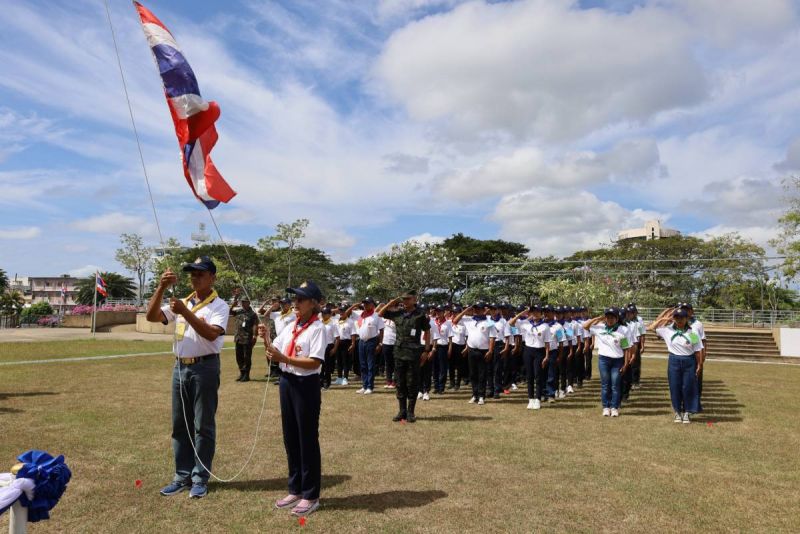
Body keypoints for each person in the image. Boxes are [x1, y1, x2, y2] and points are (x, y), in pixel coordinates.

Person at [146, 256, 229, 499]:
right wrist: (161, 287)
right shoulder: (182, 302)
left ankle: (200, 478)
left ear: (212, 277)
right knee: (180, 425)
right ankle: (181, 476)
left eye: (200, 274)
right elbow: (152, 317)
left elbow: (212, 334)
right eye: (192, 274)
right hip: (180, 368)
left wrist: (185, 312)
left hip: (205, 368)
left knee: (203, 425)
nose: (195, 277)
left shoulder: (219, 306)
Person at [259, 280, 326, 517]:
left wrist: (283, 359)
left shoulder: (318, 328)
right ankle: (295, 488)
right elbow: (273, 351)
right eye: (294, 298)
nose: (295, 303)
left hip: (305, 385)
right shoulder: (291, 325)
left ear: (314, 303)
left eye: (300, 299)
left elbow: (315, 361)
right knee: (290, 437)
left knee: (306, 438)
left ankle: (311, 494)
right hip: (287, 382)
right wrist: (266, 337)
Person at [378, 291, 431, 423]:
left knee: (412, 382)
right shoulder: (398, 313)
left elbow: (427, 331)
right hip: (399, 352)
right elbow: (380, 313)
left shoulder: (420, 315)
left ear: (414, 299)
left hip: (414, 353)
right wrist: (394, 300)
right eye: (404, 299)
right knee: (400, 382)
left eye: (408, 299)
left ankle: (411, 412)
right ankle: (402, 411)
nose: (405, 301)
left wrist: (426, 350)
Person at [650, 306, 703, 423]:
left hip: (689, 361)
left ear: (686, 319)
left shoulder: (692, 332)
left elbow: (698, 350)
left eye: (682, 317)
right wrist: (665, 318)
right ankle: (677, 412)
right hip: (674, 360)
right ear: (673, 318)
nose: (679, 320)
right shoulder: (667, 330)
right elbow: (651, 327)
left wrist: (699, 364)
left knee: (688, 387)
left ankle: (687, 412)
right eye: (677, 317)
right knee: (675, 387)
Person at [583, 307, 631, 417]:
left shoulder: (622, 330)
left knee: (615, 385)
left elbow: (626, 348)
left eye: (612, 317)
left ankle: (614, 407)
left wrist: (625, 364)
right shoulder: (599, 328)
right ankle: (606, 407)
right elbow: (585, 326)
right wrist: (598, 318)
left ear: (617, 318)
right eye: (607, 317)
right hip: (604, 360)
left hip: (617, 361)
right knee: (605, 385)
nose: (610, 320)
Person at [451, 303, 496, 406]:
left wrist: (490, 351)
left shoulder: (488, 321)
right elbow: (454, 321)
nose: (476, 310)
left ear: (483, 309)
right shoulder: (469, 320)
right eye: (475, 308)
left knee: (482, 374)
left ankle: (481, 396)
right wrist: (465, 310)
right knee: (473, 374)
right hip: (471, 350)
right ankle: (474, 394)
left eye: (479, 309)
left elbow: (492, 337)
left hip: (484, 351)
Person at [509, 305, 551, 410]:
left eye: (537, 312)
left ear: (541, 313)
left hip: (539, 351)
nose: (535, 314)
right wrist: (523, 312)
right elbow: (511, 323)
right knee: (530, 376)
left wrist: (546, 356)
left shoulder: (545, 326)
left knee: (538, 375)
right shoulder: (526, 324)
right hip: (528, 351)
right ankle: (530, 399)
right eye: (533, 312)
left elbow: (547, 343)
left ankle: (537, 399)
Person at [343, 298, 384, 395]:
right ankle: (364, 385)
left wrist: (380, 344)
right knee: (363, 365)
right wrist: (354, 305)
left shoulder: (376, 315)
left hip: (372, 341)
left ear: (372, 305)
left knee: (370, 365)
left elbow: (382, 330)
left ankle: (370, 386)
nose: (365, 305)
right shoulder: (360, 314)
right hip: (361, 341)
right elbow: (346, 313)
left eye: (367, 303)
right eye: (364, 303)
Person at [229, 288, 259, 382]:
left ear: (249, 302)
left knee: (247, 357)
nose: (243, 303)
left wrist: (255, 336)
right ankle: (241, 373)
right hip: (238, 337)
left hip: (247, 338)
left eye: (245, 302)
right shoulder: (239, 311)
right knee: (239, 357)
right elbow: (230, 311)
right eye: (242, 302)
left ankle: (246, 375)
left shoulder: (253, 314)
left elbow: (255, 325)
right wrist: (235, 299)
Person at [334, 304, 356, 386]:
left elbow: (353, 333)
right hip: (338, 342)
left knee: (345, 361)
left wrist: (353, 343)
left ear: (346, 311)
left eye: (343, 310)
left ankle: (345, 378)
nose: (341, 312)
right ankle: (339, 377)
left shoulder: (350, 321)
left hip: (346, 342)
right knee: (339, 360)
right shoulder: (337, 321)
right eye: (340, 311)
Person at [432, 306, 451, 395]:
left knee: (442, 368)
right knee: (435, 367)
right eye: (437, 312)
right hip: (434, 346)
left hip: (443, 347)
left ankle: (441, 387)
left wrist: (450, 349)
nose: (438, 314)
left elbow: (450, 338)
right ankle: (435, 386)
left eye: (440, 312)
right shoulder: (433, 322)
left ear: (444, 312)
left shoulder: (447, 323)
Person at [448, 305, 467, 390]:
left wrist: (466, 347)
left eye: (456, 312)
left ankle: (458, 383)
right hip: (452, 345)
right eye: (453, 312)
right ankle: (451, 382)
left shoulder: (464, 322)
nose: (454, 314)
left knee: (460, 366)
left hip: (461, 346)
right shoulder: (450, 321)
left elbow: (467, 337)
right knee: (451, 365)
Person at [320, 307, 339, 390]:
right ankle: (320, 382)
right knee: (320, 366)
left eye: (325, 313)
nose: (323, 315)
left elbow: (337, 338)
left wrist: (334, 349)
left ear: (330, 314)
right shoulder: (320, 322)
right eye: (322, 313)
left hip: (329, 346)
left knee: (327, 366)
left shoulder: (333, 324)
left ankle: (327, 383)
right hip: (320, 346)